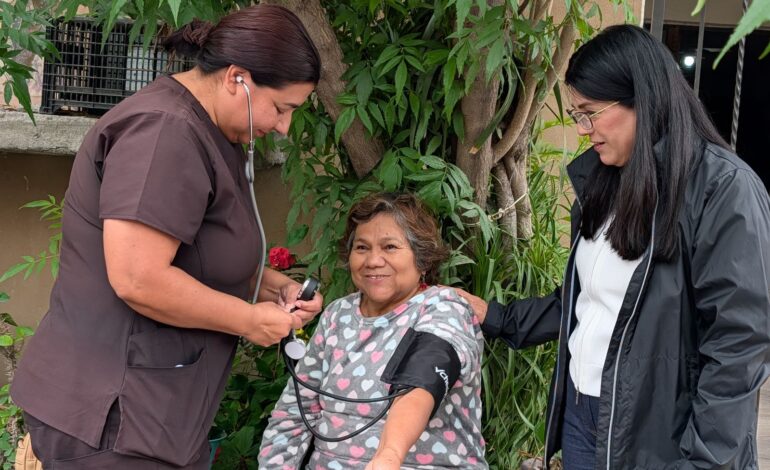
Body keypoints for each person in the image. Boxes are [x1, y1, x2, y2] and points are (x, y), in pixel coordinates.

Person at [11, 5, 323, 469]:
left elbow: (194, 255)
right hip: (113, 419)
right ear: (237, 77)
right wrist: (248, 320)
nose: (283, 127)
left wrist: (272, 286)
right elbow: (138, 278)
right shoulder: (165, 133)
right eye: (281, 108)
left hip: (157, 416)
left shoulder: (213, 130)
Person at [457, 24, 770, 470]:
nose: (583, 131)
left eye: (589, 113)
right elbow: (585, 302)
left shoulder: (721, 188)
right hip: (586, 417)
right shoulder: (602, 184)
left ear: (642, 98)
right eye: (577, 117)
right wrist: (497, 317)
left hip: (665, 435)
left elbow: (738, 346)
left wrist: (705, 461)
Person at [258, 193, 488, 469]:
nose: (373, 261)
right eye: (362, 248)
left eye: (390, 247)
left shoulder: (443, 308)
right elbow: (294, 413)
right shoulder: (338, 315)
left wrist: (389, 456)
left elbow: (426, 375)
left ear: (423, 259)